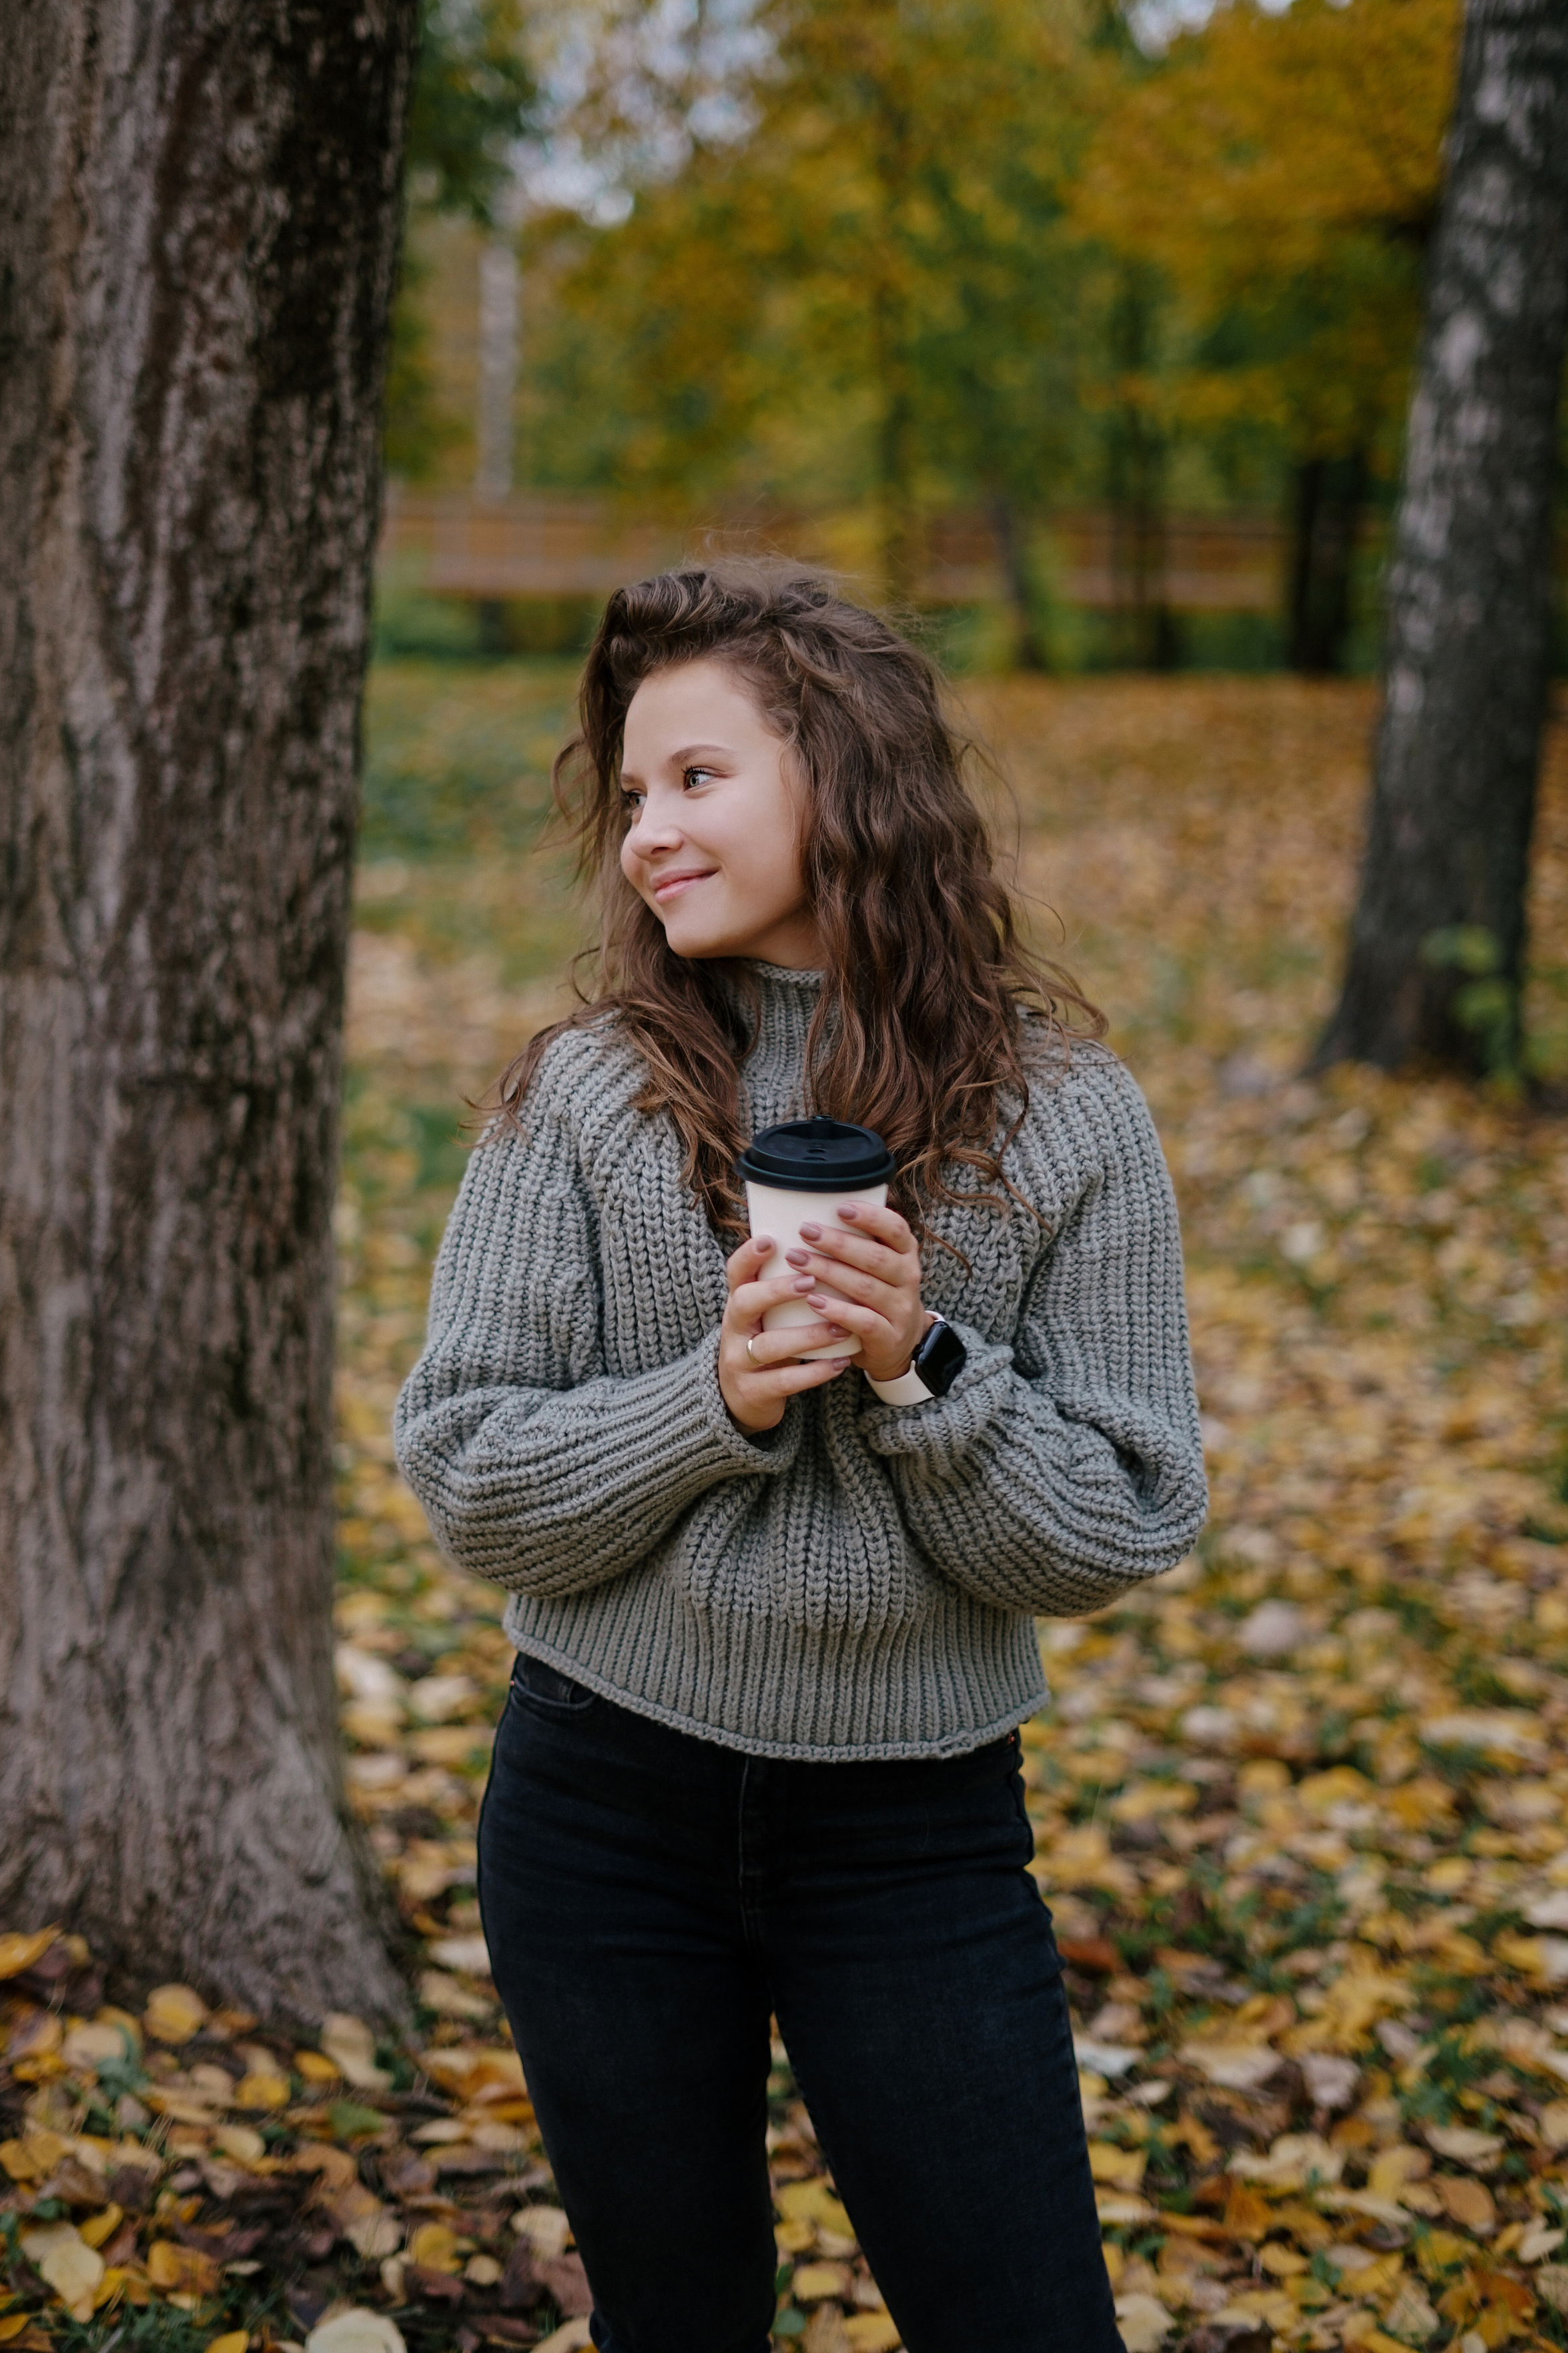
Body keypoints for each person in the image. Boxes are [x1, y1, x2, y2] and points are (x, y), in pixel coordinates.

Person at [394, 564, 1208, 2353]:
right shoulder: (588, 1095)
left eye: (694, 781)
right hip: (602, 1811)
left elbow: (1129, 1516)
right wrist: (720, 1400)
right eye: (628, 799)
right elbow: (466, 1470)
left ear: (842, 777)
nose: (644, 842)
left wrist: (921, 1369)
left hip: (910, 1832)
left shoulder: (1062, 1117)